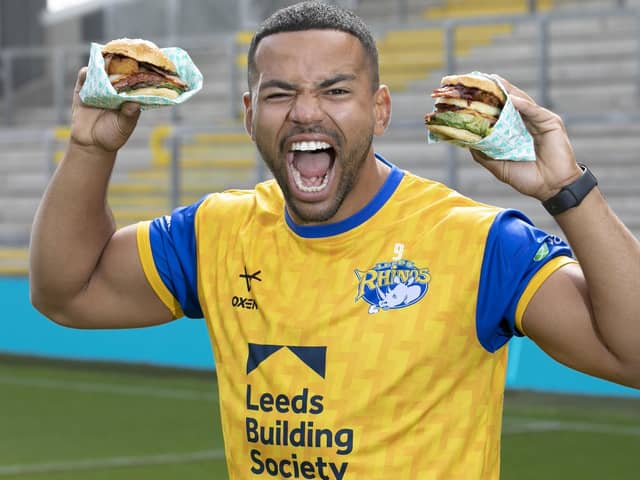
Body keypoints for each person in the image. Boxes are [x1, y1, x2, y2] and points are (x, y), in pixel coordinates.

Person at [29, 1, 640, 478]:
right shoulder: (215, 231)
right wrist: (90, 148)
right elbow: (66, 292)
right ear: (248, 113)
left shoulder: (477, 242)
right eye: (279, 93)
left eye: (335, 90)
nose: (305, 112)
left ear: (379, 110)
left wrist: (566, 189)